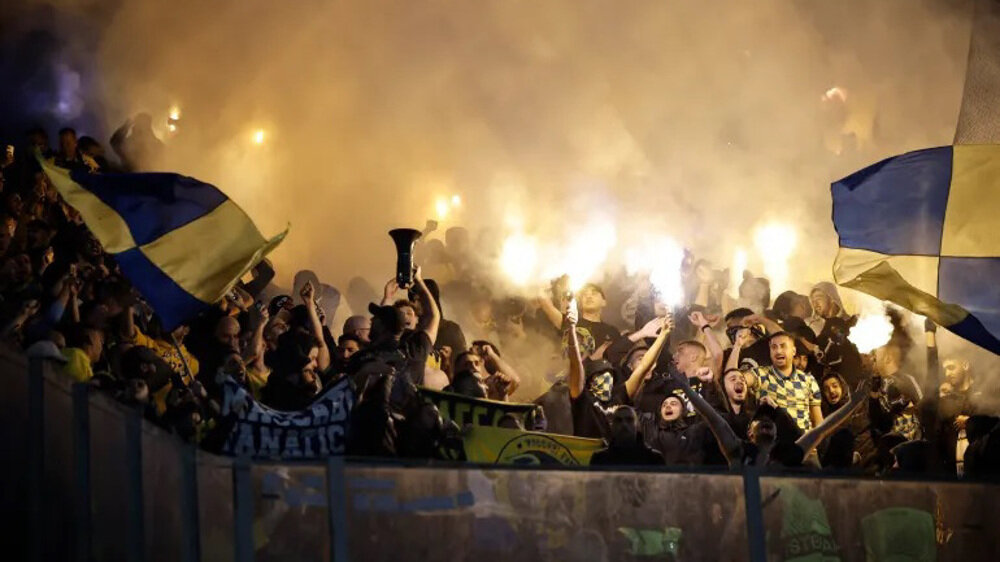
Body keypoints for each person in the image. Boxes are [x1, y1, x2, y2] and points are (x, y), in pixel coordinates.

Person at [745, 332, 823, 433]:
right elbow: (736, 380)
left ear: (794, 351)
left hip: (803, 440)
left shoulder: (809, 380)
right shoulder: (760, 374)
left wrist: (819, 441)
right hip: (772, 439)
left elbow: (818, 421)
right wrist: (737, 346)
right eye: (774, 347)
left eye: (783, 346)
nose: (778, 351)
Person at [590, 405, 665, 466]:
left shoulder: (654, 459)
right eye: (619, 420)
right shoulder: (599, 459)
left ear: (637, 425)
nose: (624, 424)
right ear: (612, 426)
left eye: (629, 420)